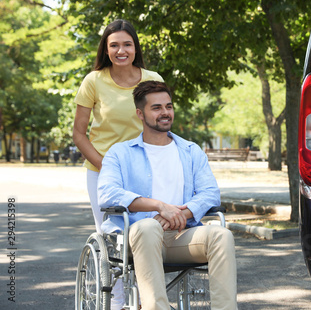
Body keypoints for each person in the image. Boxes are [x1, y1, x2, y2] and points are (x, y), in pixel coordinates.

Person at [98, 80, 238, 310]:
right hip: (138, 236)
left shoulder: (191, 151)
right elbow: (107, 193)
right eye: (156, 108)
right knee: (148, 227)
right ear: (140, 114)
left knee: (221, 235)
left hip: (180, 235)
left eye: (169, 106)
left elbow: (210, 192)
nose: (165, 113)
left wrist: (181, 212)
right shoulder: (120, 153)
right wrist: (160, 206)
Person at [73, 19, 164, 310]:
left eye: (127, 44)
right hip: (102, 171)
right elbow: (79, 132)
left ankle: (149, 298)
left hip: (145, 168)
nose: (121, 50)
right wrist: (108, 166)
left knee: (149, 232)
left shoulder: (152, 78)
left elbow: (162, 122)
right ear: (106, 49)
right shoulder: (94, 81)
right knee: (114, 241)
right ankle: (120, 303)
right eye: (114, 45)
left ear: (135, 47)